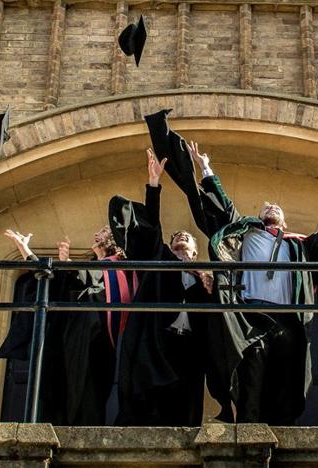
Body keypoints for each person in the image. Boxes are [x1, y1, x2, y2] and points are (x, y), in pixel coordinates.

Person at [182, 141, 318, 424]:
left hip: (288, 318)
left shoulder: (298, 246)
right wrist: (206, 168)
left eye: (276, 207)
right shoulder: (246, 233)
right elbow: (224, 206)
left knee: (286, 376)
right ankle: (247, 428)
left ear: (283, 221)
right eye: (266, 206)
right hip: (252, 315)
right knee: (252, 374)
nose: (271, 207)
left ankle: (280, 428)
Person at [108, 149, 213, 426]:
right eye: (177, 236)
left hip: (190, 343)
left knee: (187, 400)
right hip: (158, 339)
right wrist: (153, 185)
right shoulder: (162, 259)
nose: (181, 237)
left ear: (195, 250)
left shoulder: (205, 277)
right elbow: (151, 229)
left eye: (187, 237)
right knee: (153, 399)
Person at [0, 226, 135, 426]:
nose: (97, 234)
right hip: (68, 341)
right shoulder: (90, 269)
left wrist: (68, 265)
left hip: (95, 343)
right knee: (58, 393)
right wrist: (25, 250)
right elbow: (50, 280)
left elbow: (89, 283)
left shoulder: (119, 271)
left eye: (105, 231)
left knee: (87, 400)